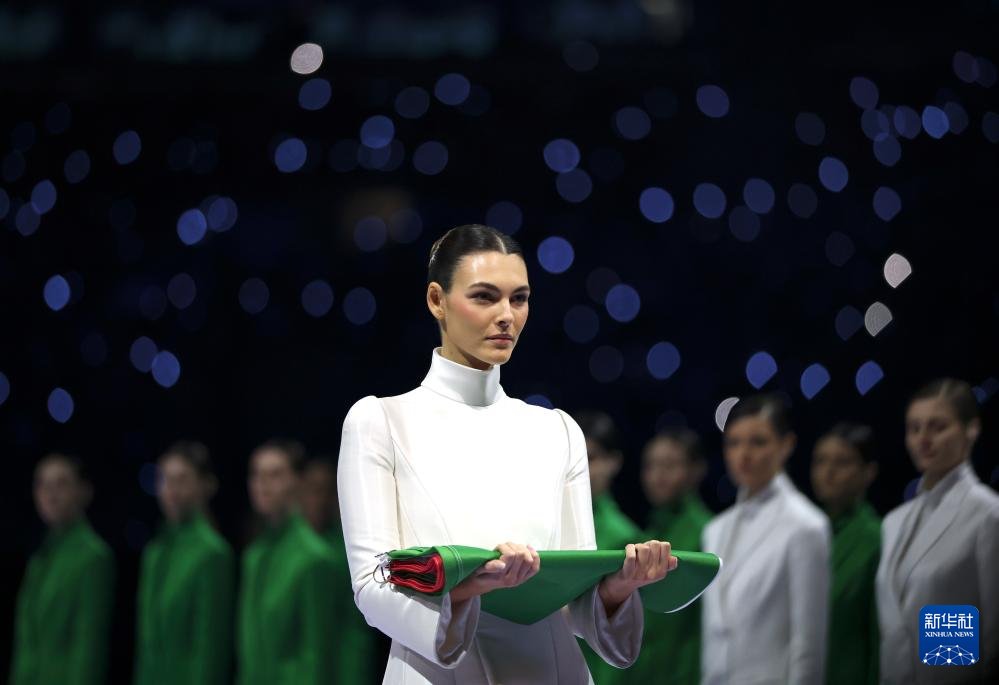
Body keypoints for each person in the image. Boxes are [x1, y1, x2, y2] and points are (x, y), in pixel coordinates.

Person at [337, 224, 676, 684]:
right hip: (439, 671)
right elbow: (372, 584)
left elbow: (573, 591)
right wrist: (469, 589)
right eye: (484, 297)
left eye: (519, 299)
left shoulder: (557, 431)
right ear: (437, 300)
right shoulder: (380, 421)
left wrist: (618, 587)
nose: (506, 316)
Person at [701, 394, 830, 685]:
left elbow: (808, 644)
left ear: (787, 445)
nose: (743, 454)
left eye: (758, 442)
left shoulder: (805, 526)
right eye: (733, 443)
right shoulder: (715, 529)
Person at [876, 378, 999, 684]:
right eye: (914, 428)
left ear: (971, 429)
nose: (923, 439)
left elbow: (993, 635)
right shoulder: (894, 521)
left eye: (938, 427)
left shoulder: (987, 514)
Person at [237, 439, 337, 685]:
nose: (263, 484)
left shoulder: (315, 557)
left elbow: (316, 656)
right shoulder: (254, 556)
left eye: (275, 474)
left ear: (298, 482)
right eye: (256, 474)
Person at [134, 441, 234, 685]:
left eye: (182, 480)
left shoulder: (213, 553)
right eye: (165, 479)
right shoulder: (155, 551)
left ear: (205, 485)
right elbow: (146, 646)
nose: (171, 490)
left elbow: (210, 650)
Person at [10, 453, 114, 685]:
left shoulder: (93, 557)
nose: (50, 494)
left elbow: (89, 648)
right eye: (43, 485)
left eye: (61, 484)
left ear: (83, 491)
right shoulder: (40, 557)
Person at [624, 427, 712, 685]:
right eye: (650, 465)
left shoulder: (708, 533)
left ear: (696, 470)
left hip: (688, 674)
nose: (657, 475)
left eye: (669, 465)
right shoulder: (645, 534)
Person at [575, 410, 644, 684]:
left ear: (613, 462)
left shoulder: (625, 536)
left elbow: (622, 633)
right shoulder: (546, 523)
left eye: (590, 458)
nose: (580, 469)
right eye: (574, 459)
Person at [811, 422, 880, 685]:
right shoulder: (807, 532)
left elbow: (881, 633)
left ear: (868, 472)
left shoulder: (876, 538)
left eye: (842, 462)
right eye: (820, 461)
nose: (828, 472)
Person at [300, 456, 378, 684]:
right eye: (313, 490)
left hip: (343, 667)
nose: (320, 500)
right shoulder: (285, 550)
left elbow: (355, 631)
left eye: (328, 491)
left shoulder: (350, 552)